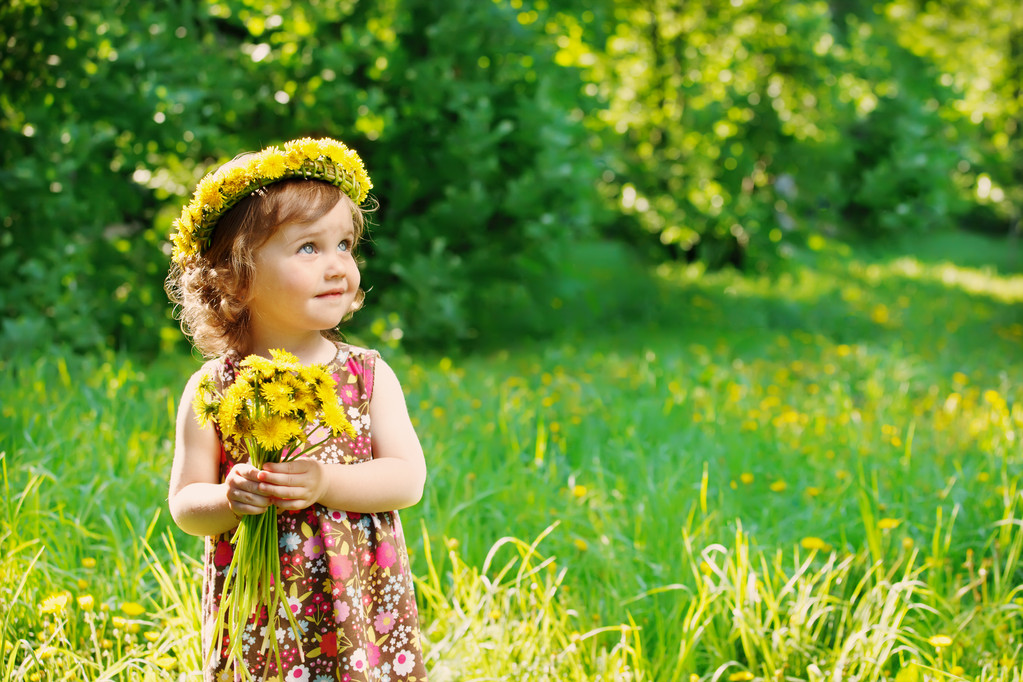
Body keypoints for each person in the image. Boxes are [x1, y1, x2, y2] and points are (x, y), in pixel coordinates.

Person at [165, 137, 429, 682]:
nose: (337, 266)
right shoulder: (213, 388)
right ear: (236, 276)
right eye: (309, 248)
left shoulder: (367, 375)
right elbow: (186, 504)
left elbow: (407, 478)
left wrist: (323, 482)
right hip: (262, 608)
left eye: (345, 245)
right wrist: (229, 498)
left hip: (359, 605)